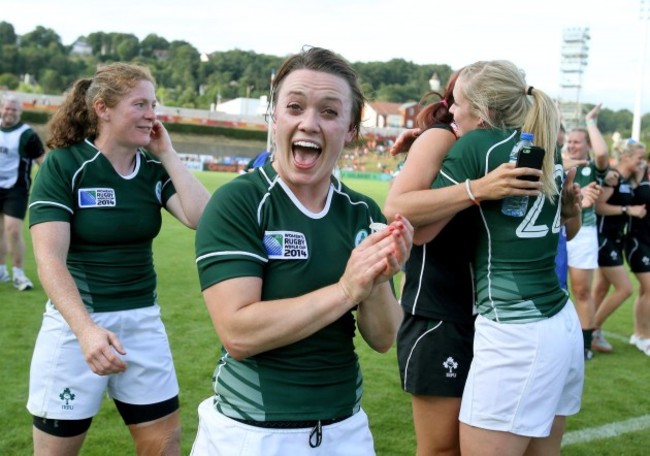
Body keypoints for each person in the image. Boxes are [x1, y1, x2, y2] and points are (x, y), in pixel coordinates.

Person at [192, 46, 413, 456]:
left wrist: (378, 281)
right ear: (274, 118)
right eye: (295, 107)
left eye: (329, 112)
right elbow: (238, 333)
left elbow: (384, 338)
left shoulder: (364, 212)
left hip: (345, 431)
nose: (309, 123)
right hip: (252, 435)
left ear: (349, 129)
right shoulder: (239, 203)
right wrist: (346, 290)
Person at [26, 62, 210, 456]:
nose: (151, 114)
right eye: (140, 104)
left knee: (164, 447)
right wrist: (86, 330)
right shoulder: (64, 165)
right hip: (76, 326)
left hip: (143, 324)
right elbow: (50, 261)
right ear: (102, 108)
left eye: (154, 104)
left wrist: (169, 153)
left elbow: (202, 219)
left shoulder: (152, 168)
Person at [406, 60, 583, 456]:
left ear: (483, 111)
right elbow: (567, 230)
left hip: (515, 328)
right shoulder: (543, 143)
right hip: (557, 320)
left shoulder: (477, 146)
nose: (450, 110)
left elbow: (412, 224)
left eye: (459, 103)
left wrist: (473, 186)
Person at [591, 138, 647, 353]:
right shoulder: (613, 176)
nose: (642, 163)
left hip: (615, 240)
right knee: (625, 289)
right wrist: (627, 210)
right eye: (639, 158)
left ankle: (587, 331)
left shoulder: (628, 178)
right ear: (626, 157)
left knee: (601, 289)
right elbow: (598, 207)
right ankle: (590, 331)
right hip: (602, 238)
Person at [565, 104, 609, 360]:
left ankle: (585, 344)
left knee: (581, 290)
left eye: (577, 142)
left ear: (587, 145)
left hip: (584, 233)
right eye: (569, 141)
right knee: (559, 288)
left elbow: (603, 153)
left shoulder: (593, 167)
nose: (572, 145)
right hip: (558, 232)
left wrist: (590, 122)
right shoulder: (559, 163)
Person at [0, 95, 46, 290]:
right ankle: (1, 270)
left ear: (20, 112)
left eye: (14, 110)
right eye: (7, 108)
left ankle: (19, 273)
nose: (9, 112)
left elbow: (42, 161)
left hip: (16, 189)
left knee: (12, 230)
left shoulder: (27, 134)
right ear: (1, 108)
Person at [623, 140, 650, 355]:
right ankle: (643, 336)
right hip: (636, 242)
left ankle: (638, 334)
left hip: (647, 242)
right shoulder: (638, 178)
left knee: (645, 290)